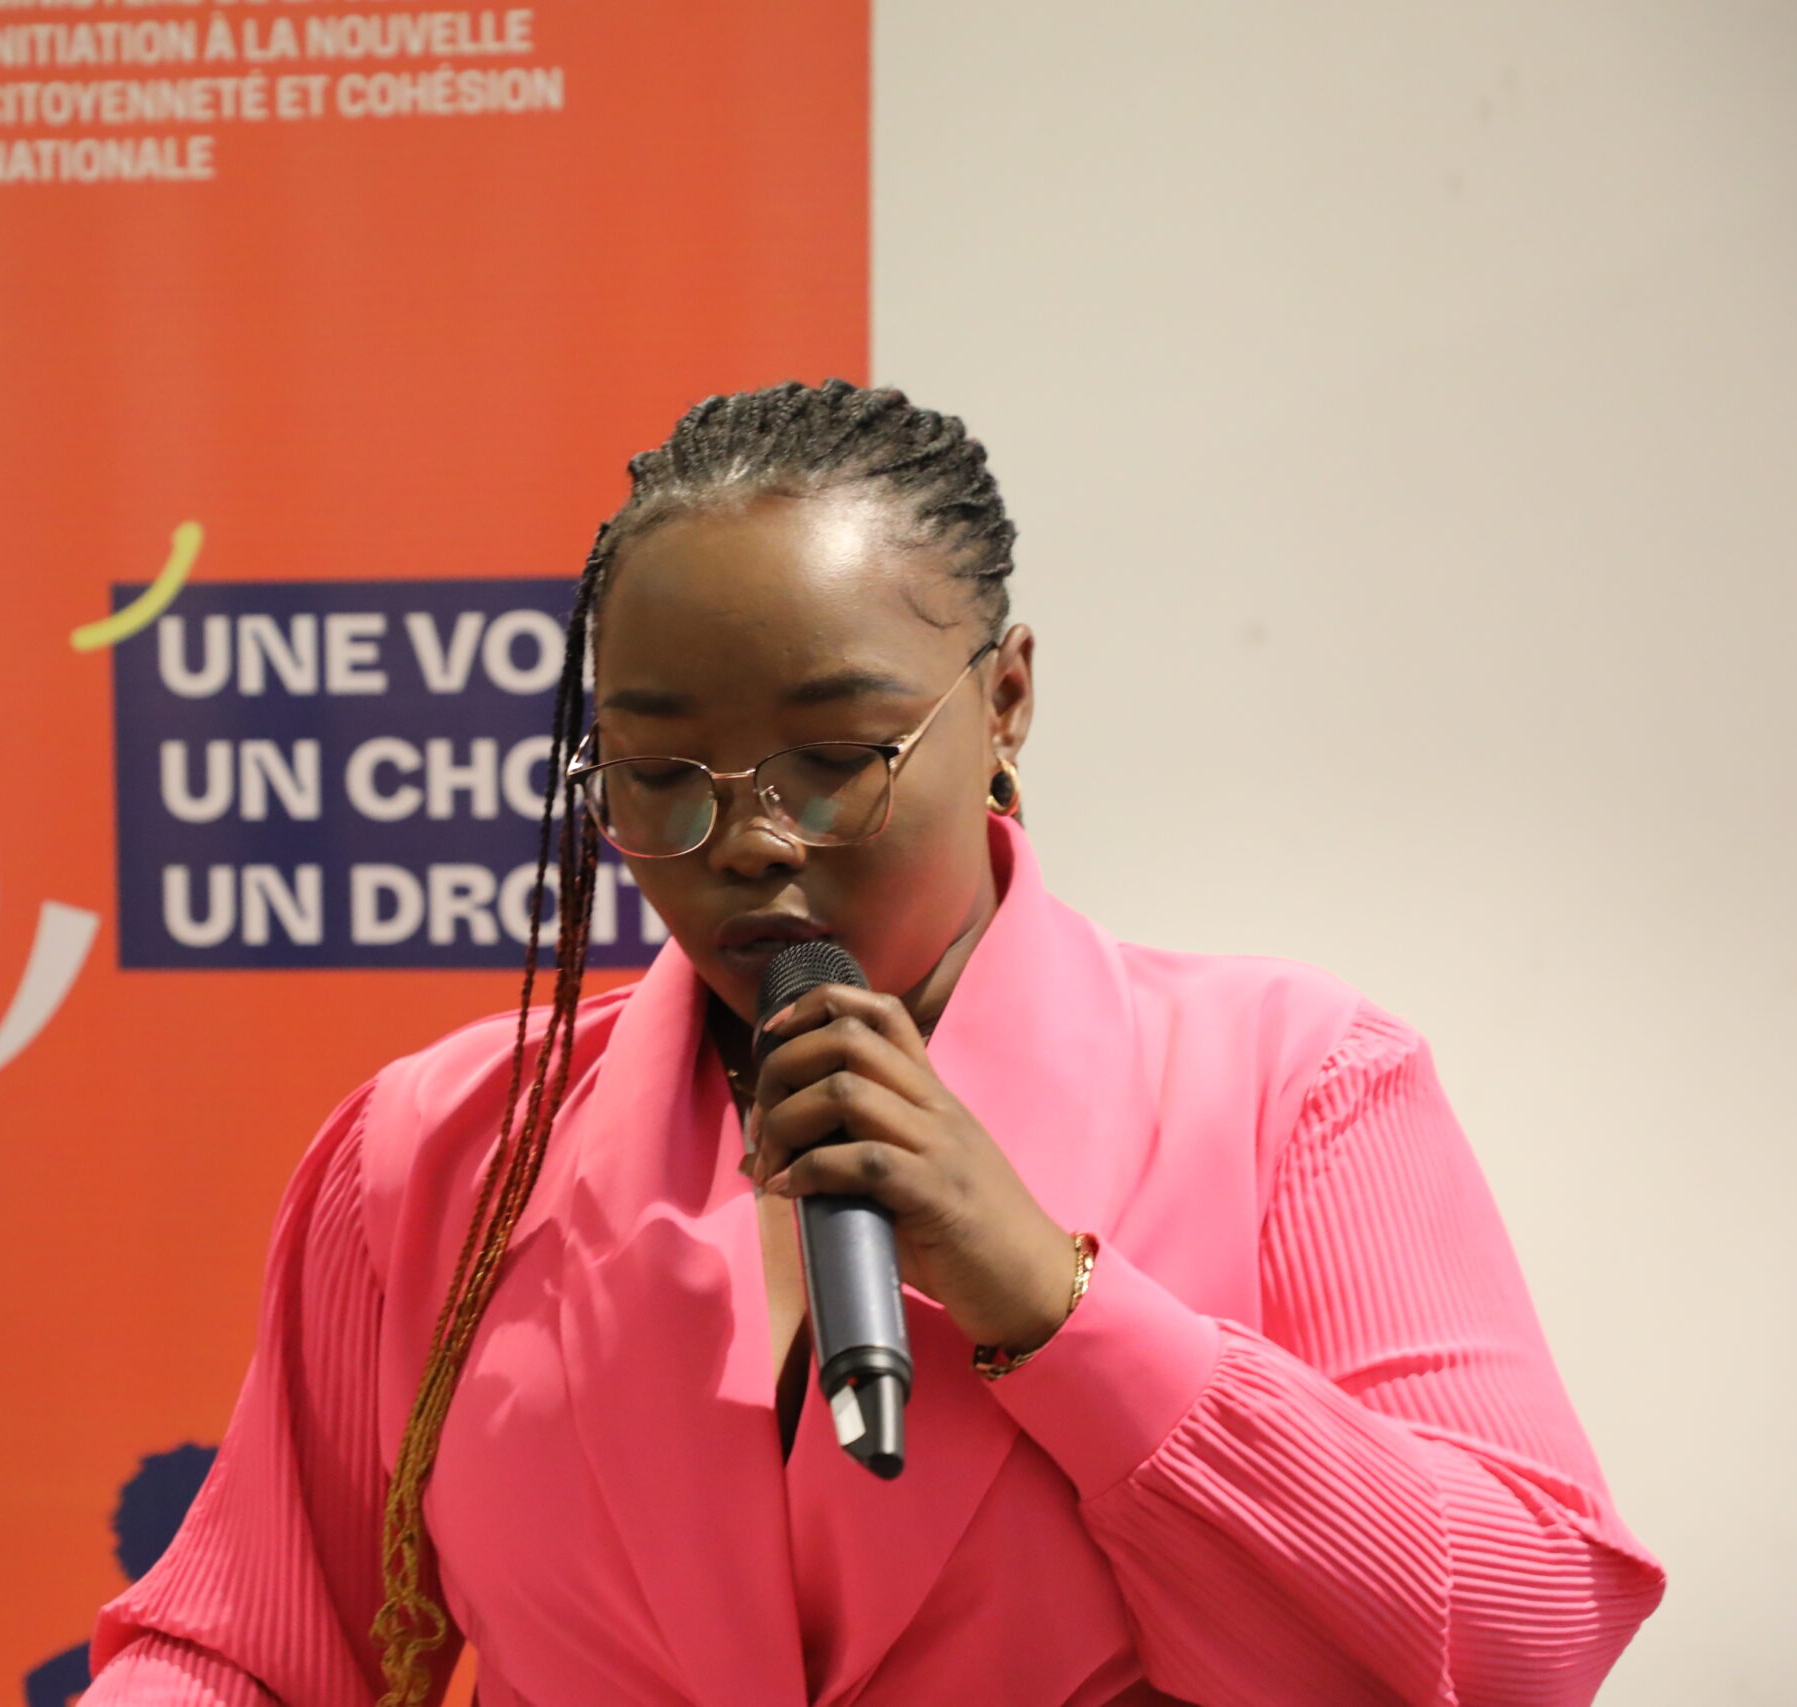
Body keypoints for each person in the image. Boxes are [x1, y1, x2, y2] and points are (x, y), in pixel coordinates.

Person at [86, 381, 1667, 1706]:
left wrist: (1056, 1303)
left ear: (1011, 696)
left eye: (836, 758)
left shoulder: (1294, 1089)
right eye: (661, 776)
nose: (752, 844)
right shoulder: (439, 1153)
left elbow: (1526, 1633)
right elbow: (241, 1650)